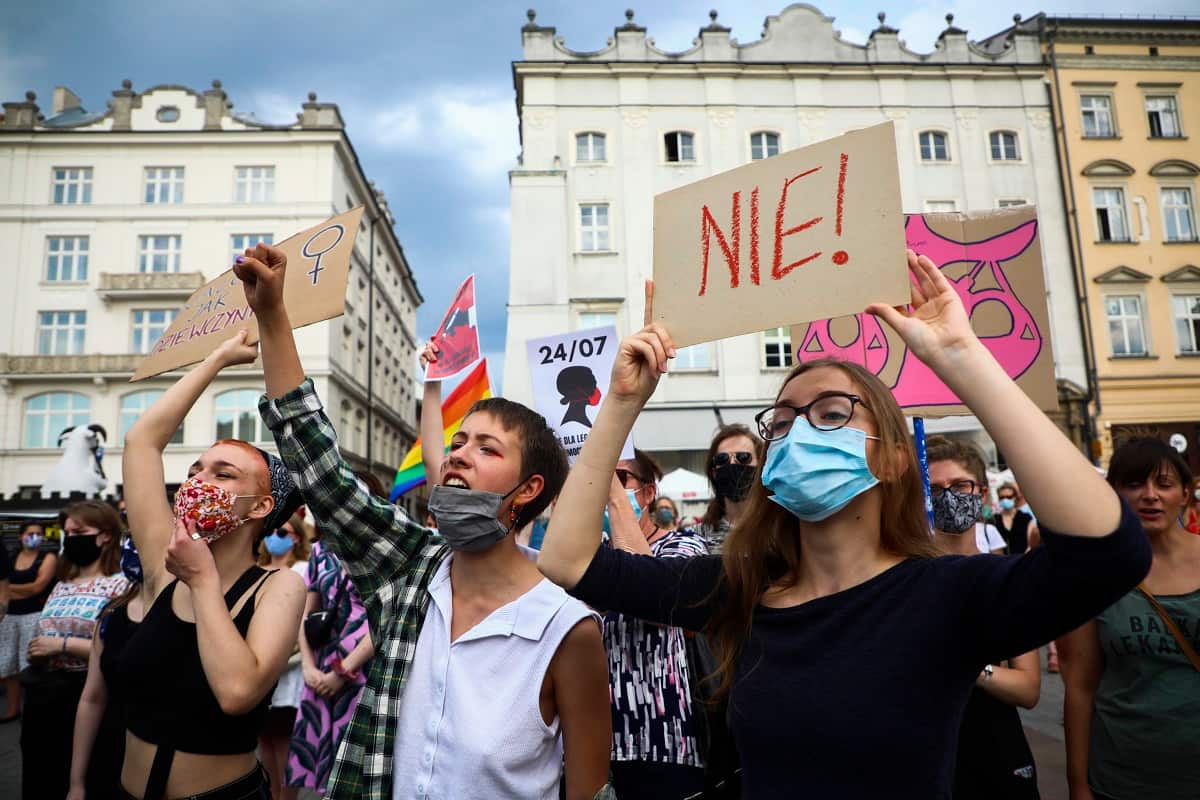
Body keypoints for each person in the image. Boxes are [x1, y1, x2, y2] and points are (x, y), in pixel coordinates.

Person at [537, 252, 1151, 798]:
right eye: (781, 421)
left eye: (832, 413)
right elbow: (569, 562)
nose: (800, 429)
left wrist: (961, 358)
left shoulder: (947, 594)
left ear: (886, 453)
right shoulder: (742, 588)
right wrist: (621, 403)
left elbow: (1110, 554)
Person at [237, 248, 612, 800]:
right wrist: (272, 314)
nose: (458, 454)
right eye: (458, 442)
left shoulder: (567, 631)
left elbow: (590, 791)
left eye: (487, 449)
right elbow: (321, 472)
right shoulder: (409, 570)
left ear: (528, 491)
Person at [112, 330, 307, 800]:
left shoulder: (276, 587)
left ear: (260, 507)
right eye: (197, 469)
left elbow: (238, 692)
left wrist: (202, 580)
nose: (199, 480)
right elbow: (141, 442)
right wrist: (217, 359)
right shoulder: (164, 564)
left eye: (224, 475)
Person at [1057, 436, 1200, 800]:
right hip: (1124, 779)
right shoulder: (1093, 574)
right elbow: (1079, 685)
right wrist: (1078, 786)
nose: (1150, 495)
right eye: (1133, 484)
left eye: (1164, 484)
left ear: (1185, 494)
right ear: (1114, 494)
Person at [925, 435, 1041, 800]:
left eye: (959, 485)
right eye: (935, 488)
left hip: (997, 751)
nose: (949, 496)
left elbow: (1028, 688)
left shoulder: (1007, 578)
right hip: (927, 754)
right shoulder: (906, 578)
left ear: (982, 493)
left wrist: (972, 668)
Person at [603, 449, 708, 799]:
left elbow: (651, 596)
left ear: (648, 493)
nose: (605, 489)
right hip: (594, 747)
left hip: (664, 741)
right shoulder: (586, 554)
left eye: (618, 479)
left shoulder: (685, 545)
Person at [20, 501, 128, 800]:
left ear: (106, 535)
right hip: (45, 699)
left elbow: (120, 649)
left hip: (90, 697)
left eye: (79, 531)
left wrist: (62, 646)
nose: (71, 538)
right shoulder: (63, 583)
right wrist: (39, 650)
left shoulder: (122, 585)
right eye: (68, 532)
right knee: (43, 779)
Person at [285, 530, 373, 796]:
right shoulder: (320, 551)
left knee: (355, 774)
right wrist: (308, 666)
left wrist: (344, 671)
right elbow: (306, 611)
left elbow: (387, 617)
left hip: (364, 671)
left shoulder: (380, 547)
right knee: (324, 773)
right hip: (322, 666)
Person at [68, 537, 146, 800]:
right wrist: (76, 783)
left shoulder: (197, 613)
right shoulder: (111, 616)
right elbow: (92, 698)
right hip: (110, 754)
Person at [258, 513, 312, 800]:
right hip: (258, 669)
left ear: (297, 538)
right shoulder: (256, 568)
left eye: (283, 531)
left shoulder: (303, 569)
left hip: (289, 671)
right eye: (272, 530)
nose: (274, 536)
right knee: (264, 741)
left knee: (284, 742)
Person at [0, 521, 57, 722]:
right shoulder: (11, 556)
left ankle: (32, 710)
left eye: (39, 533)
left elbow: (37, 587)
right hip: (8, 616)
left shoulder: (47, 558)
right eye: (30, 533)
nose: (35, 537)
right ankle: (13, 709)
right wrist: (10, 591)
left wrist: (8, 591)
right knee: (8, 665)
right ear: (20, 536)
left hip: (33, 615)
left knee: (29, 662)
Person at [994, 482, 1039, 555]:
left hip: (1023, 560)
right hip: (1002, 562)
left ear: (1015, 497)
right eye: (1002, 497)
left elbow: (1031, 542)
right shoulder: (994, 520)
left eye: (1009, 497)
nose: (1005, 500)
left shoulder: (1025, 518)